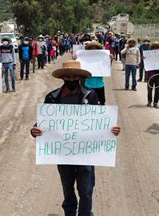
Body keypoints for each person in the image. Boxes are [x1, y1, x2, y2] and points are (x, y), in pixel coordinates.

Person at [30, 60, 121, 216]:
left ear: (79, 77)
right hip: (63, 154)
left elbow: (99, 120)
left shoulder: (90, 95)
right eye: (67, 77)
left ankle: (85, 214)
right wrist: (35, 130)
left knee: (86, 189)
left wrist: (110, 130)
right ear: (63, 77)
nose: (71, 80)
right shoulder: (52, 98)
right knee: (67, 188)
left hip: (86, 153)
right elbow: (43, 123)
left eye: (74, 77)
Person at [72, 41, 111, 105]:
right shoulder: (84, 59)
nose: (93, 50)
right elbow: (77, 70)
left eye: (95, 48)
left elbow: (106, 69)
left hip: (100, 85)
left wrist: (109, 60)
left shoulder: (102, 58)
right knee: (87, 104)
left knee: (101, 104)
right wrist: (75, 60)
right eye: (91, 48)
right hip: (88, 86)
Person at [144, 42, 159, 108]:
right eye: (154, 47)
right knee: (149, 89)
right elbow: (146, 63)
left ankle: (156, 103)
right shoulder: (149, 55)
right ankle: (149, 101)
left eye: (157, 47)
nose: (156, 49)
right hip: (150, 74)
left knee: (157, 90)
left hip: (158, 75)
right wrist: (144, 58)